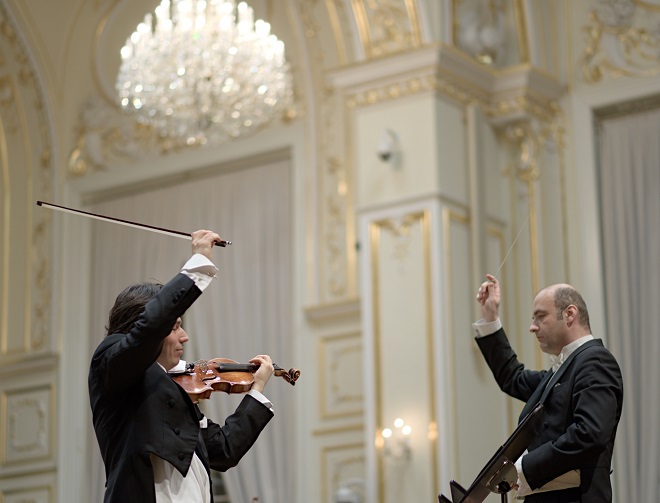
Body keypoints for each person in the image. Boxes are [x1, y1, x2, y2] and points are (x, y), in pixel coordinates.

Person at [88, 229, 275, 503]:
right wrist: (199, 262)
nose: (184, 337)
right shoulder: (111, 361)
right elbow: (149, 329)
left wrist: (256, 389)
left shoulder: (176, 392)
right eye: (175, 326)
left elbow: (224, 449)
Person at [474, 274, 623, 502]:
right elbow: (512, 378)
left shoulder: (595, 361)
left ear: (569, 314)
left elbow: (589, 433)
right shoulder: (563, 369)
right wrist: (491, 317)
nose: (532, 327)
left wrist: (525, 467)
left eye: (540, 317)